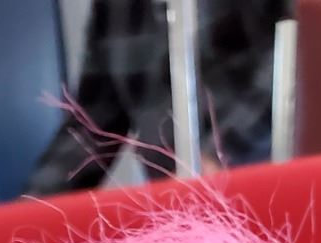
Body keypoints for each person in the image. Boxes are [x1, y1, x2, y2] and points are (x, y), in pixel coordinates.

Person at [29, 0, 290, 193]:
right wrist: (27, 216)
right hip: (177, 210)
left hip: (269, 196)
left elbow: (294, 61)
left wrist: (220, 153)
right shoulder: (114, 9)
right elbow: (92, 123)